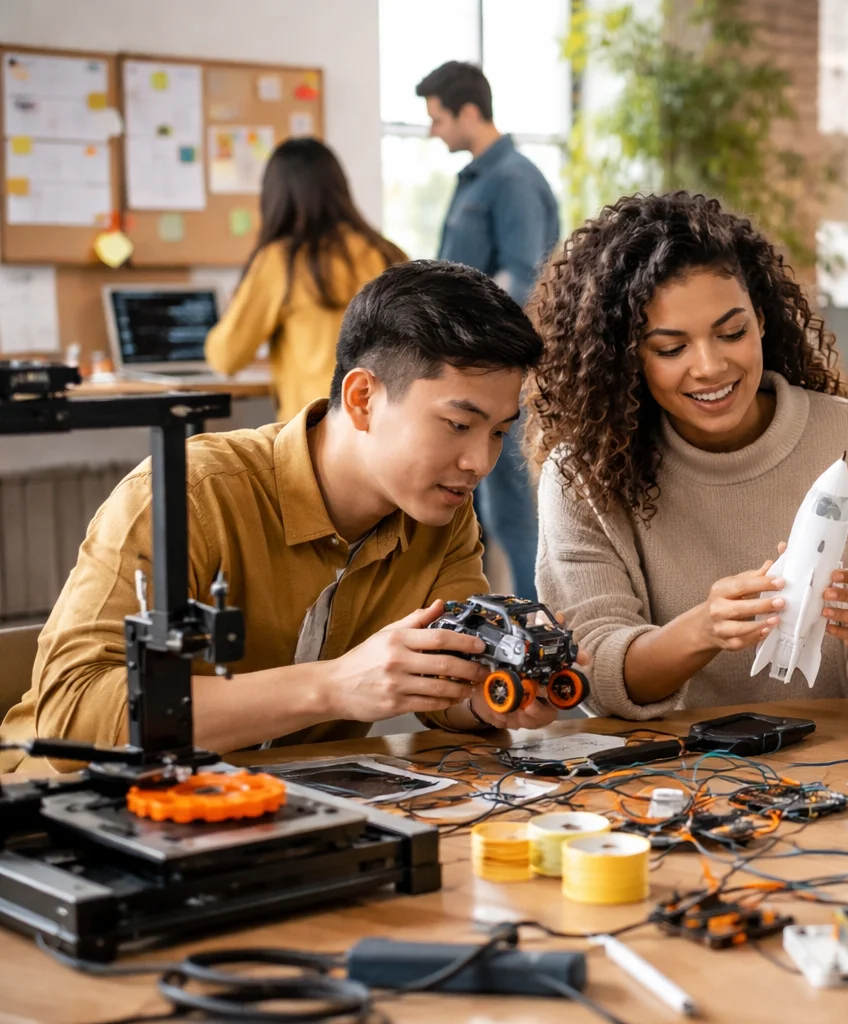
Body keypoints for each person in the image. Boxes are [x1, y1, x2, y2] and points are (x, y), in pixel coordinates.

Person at [0, 261, 573, 775]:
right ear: (362, 399)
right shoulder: (190, 492)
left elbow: (442, 692)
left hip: (266, 812)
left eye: (499, 431)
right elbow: (70, 714)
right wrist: (331, 688)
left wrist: (488, 699)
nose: (480, 461)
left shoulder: (443, 518)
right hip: (64, 823)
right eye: (458, 424)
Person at [527, 191, 848, 720]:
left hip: (844, 768)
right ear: (626, 356)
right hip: (661, 778)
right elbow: (593, 669)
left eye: (732, 332)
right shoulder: (583, 475)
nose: (710, 366)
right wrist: (704, 628)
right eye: (671, 348)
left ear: (761, 321)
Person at [416, 60, 560, 602]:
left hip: (497, 376)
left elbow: (522, 279)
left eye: (438, 119)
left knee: (511, 515)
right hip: (461, 371)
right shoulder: (478, 178)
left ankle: (535, 631)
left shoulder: (515, 180)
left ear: (469, 113)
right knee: (466, 515)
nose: (435, 130)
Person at [205, 137, 405, 422]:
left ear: (276, 197)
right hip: (391, 427)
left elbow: (225, 357)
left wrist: (237, 305)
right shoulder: (387, 254)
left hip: (320, 431)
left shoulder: (283, 261)